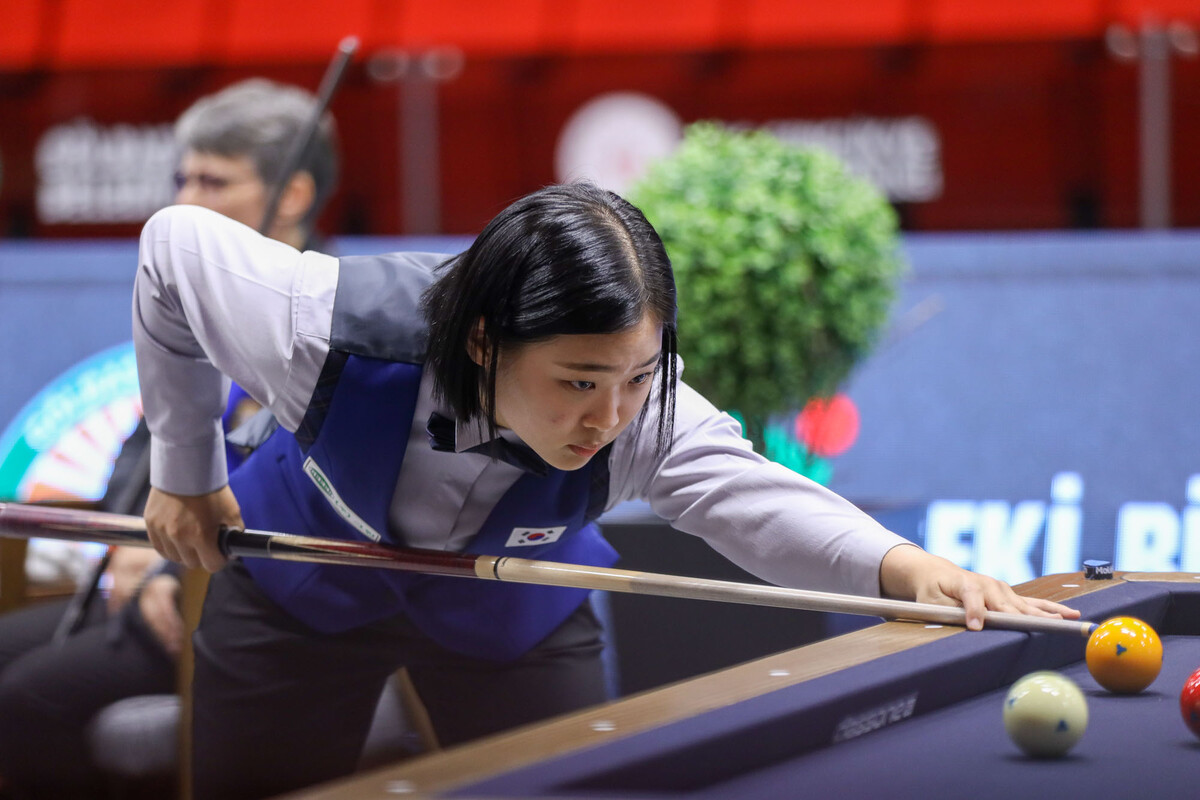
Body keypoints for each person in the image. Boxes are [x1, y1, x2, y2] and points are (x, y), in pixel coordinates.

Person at [132, 182, 1079, 799]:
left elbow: (756, 500)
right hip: (300, 585)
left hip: (512, 615)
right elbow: (172, 248)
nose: (611, 415)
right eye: (579, 381)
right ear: (483, 341)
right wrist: (184, 470)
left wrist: (909, 569)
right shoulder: (318, 326)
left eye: (637, 376)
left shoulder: (645, 414)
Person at [0, 77, 339, 799]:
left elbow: (305, 493)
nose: (185, 202)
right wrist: (133, 541)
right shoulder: (183, 301)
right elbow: (143, 451)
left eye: (213, 182)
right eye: (182, 179)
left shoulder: (330, 318)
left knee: (27, 702)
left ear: (293, 195)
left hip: (244, 594)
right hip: (143, 583)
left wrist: (165, 567)